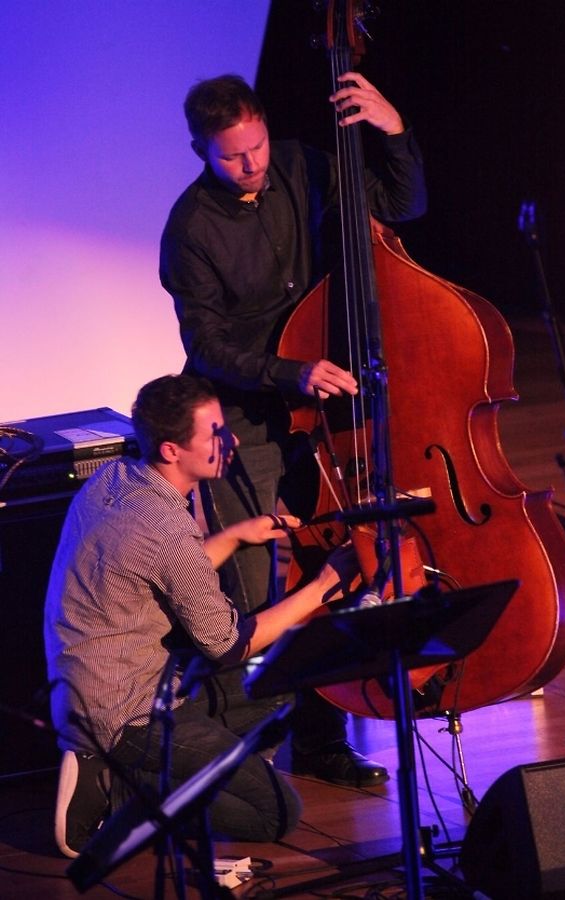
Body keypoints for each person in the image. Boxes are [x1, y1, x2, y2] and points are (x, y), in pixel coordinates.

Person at [160, 72, 427, 786]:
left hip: (325, 411)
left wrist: (393, 130)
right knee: (249, 594)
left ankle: (320, 739)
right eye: (231, 156)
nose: (251, 164)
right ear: (200, 151)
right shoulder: (190, 229)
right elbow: (207, 347)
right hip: (245, 420)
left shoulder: (303, 165)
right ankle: (242, 764)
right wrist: (290, 371)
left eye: (256, 146)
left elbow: (402, 204)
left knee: (330, 571)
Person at [44, 374, 358, 857]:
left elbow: (160, 569)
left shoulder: (115, 478)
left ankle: (128, 767)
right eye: (215, 433)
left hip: (82, 687)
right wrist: (322, 588)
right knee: (276, 812)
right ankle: (115, 794)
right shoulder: (168, 529)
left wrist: (234, 535)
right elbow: (229, 645)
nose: (231, 441)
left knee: (270, 698)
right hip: (129, 715)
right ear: (172, 450)